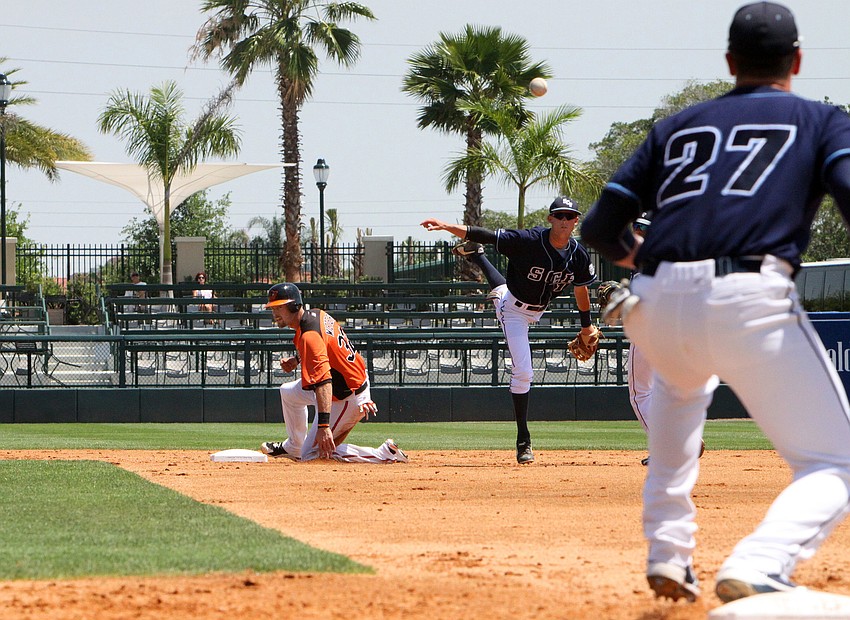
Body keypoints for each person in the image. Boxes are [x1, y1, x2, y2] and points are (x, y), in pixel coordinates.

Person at [581, 1, 850, 605]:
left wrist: (642, 259)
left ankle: (668, 558)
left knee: (676, 405)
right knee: (836, 459)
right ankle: (760, 562)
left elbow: (600, 228)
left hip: (653, 297)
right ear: (798, 60)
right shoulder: (822, 120)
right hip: (747, 292)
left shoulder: (678, 126)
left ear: (730, 62)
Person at [421, 196, 598, 464]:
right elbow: (486, 234)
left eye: (569, 216)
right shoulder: (529, 240)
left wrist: (586, 326)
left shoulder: (578, 254)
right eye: (559, 215)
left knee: (500, 290)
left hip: (536, 309)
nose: (564, 220)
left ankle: (477, 256)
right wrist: (446, 226)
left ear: (576, 220)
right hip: (513, 311)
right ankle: (523, 441)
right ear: (550, 218)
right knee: (524, 371)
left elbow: (581, 290)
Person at [259, 282, 409, 464]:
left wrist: (324, 426)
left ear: (294, 305)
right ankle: (294, 447)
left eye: (280, 307)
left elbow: (324, 382)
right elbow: (324, 346)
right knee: (288, 393)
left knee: (313, 454)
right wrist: (297, 359)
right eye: (272, 308)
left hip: (347, 397)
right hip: (350, 381)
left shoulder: (309, 335)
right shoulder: (315, 315)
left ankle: (383, 454)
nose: (274, 313)